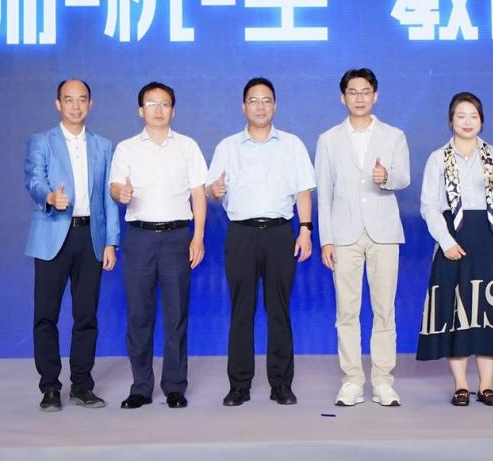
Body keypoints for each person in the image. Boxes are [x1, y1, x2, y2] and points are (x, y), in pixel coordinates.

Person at [207, 77, 315, 407]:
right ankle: (239, 385)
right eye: (254, 100)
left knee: (279, 309)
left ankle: (281, 383)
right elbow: (211, 189)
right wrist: (215, 191)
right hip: (241, 234)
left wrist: (305, 229)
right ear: (244, 106)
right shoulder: (227, 147)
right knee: (242, 310)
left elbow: (303, 191)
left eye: (266, 100)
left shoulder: (292, 144)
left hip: (281, 233)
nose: (260, 106)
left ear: (275, 105)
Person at [417, 91, 493, 406]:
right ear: (451, 120)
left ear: (482, 121)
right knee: (457, 311)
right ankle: (461, 385)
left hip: (489, 236)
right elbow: (428, 206)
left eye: (473, 116)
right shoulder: (438, 157)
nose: (467, 122)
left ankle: (487, 385)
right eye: (461, 116)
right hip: (454, 236)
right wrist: (446, 242)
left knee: (488, 309)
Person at [314, 68, 410, 408]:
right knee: (347, 311)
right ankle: (352, 379)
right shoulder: (328, 139)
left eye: (365, 91)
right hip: (344, 234)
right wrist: (326, 239)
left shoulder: (393, 135)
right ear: (342, 98)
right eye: (353, 92)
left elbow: (404, 178)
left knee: (384, 310)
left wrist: (387, 177)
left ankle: (383, 380)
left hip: (384, 232)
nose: (359, 98)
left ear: (375, 96)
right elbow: (324, 192)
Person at [109, 82, 207, 410]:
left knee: (176, 314)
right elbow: (115, 186)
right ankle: (140, 386)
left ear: (173, 110)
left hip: (178, 237)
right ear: (141, 110)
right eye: (151, 104)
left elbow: (198, 193)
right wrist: (120, 193)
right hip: (139, 238)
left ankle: (175, 386)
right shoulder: (126, 148)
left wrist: (198, 236)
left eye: (164, 104)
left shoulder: (188, 147)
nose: (158, 110)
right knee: (139, 315)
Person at [23, 79, 119, 411]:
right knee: (45, 316)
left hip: (90, 236)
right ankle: (50, 387)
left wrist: (111, 242)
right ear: (58, 104)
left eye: (82, 100)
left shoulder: (103, 146)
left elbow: (108, 198)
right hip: (52, 234)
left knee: (86, 315)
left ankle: (82, 385)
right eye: (69, 100)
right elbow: (33, 180)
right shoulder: (41, 141)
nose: (76, 106)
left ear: (91, 104)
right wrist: (50, 197)